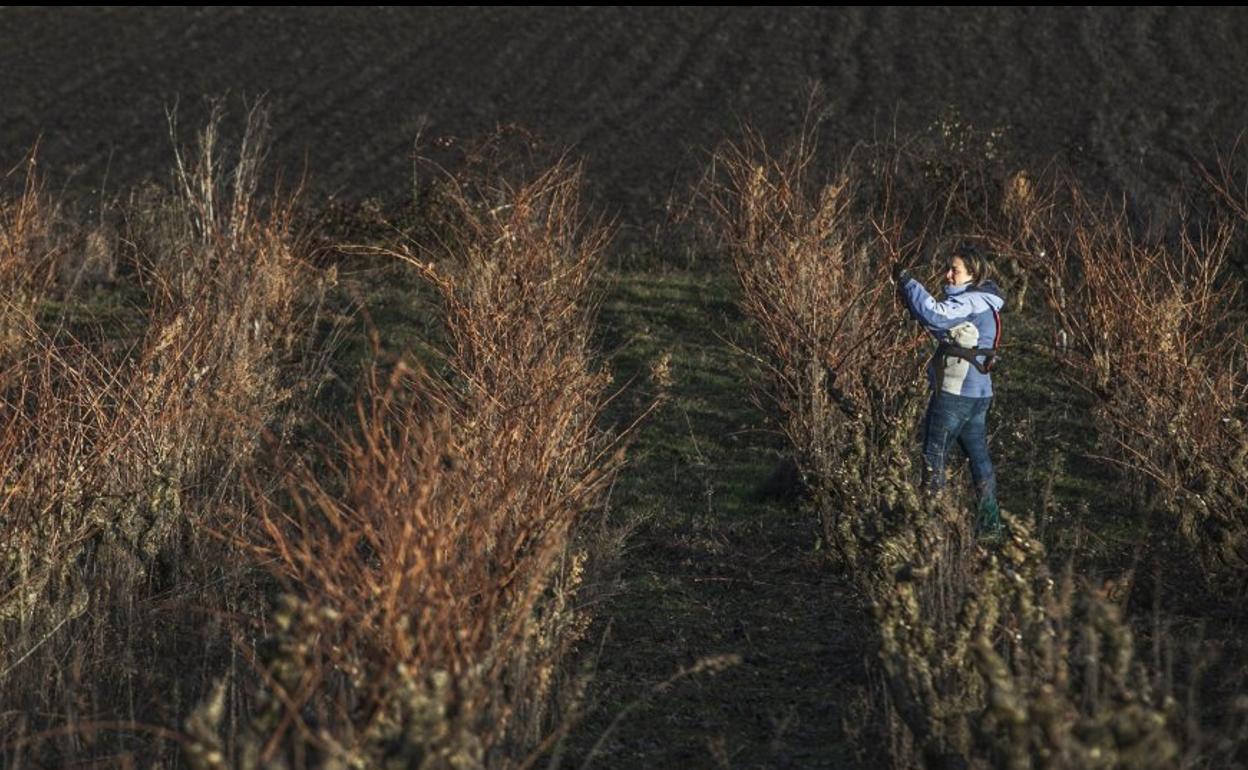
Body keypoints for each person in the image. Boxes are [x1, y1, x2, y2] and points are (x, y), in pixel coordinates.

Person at [892, 244, 1006, 537]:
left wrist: (907, 281)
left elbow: (935, 315)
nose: (947, 275)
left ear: (973, 274)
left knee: (934, 457)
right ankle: (990, 526)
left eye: (954, 270)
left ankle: (931, 528)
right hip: (979, 395)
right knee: (980, 461)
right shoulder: (987, 302)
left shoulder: (968, 303)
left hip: (955, 394)